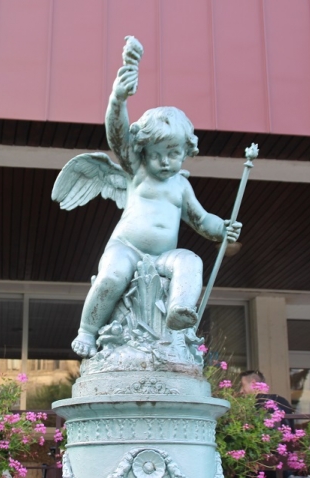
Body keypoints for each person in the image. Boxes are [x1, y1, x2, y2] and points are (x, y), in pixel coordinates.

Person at [60, 37, 241, 358]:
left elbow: (201, 219)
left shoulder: (181, 187)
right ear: (144, 152)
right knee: (111, 278)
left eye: (173, 153)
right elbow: (117, 134)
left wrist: (221, 228)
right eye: (157, 154)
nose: (165, 162)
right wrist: (118, 100)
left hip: (161, 258)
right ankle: (86, 330)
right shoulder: (138, 171)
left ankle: (180, 309)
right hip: (126, 248)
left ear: (187, 150)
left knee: (190, 261)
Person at [239, 370, 295, 478]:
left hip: (261, 465)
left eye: (243, 385)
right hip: (285, 464)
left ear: (254, 383)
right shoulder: (282, 400)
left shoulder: (253, 405)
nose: (241, 391)